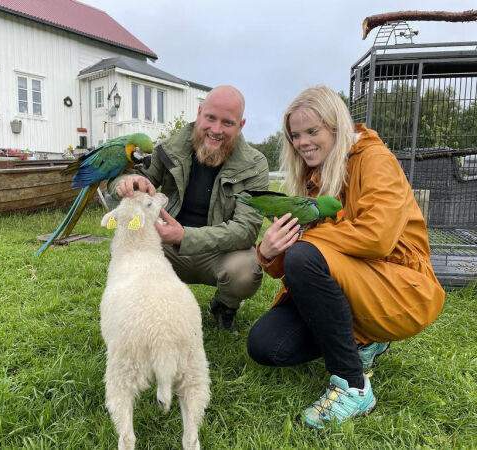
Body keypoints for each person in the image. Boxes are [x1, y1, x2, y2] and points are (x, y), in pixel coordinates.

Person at [246, 86, 445, 428]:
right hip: (350, 281)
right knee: (266, 346)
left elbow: (377, 237)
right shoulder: (312, 176)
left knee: (304, 256)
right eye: (295, 135)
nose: (302, 142)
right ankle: (365, 338)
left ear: (336, 128)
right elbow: (296, 257)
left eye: (312, 131)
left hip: (400, 285)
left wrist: (303, 240)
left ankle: (353, 385)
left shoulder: (375, 159)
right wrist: (267, 253)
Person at [107, 85, 269, 332]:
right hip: (168, 247)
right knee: (129, 243)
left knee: (247, 270)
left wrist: (186, 236)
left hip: (219, 252)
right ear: (200, 112)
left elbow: (245, 230)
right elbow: (128, 176)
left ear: (241, 125)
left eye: (227, 123)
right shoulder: (168, 148)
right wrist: (125, 183)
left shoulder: (255, 165)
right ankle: (147, 307)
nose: (216, 130)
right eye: (210, 118)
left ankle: (224, 306)